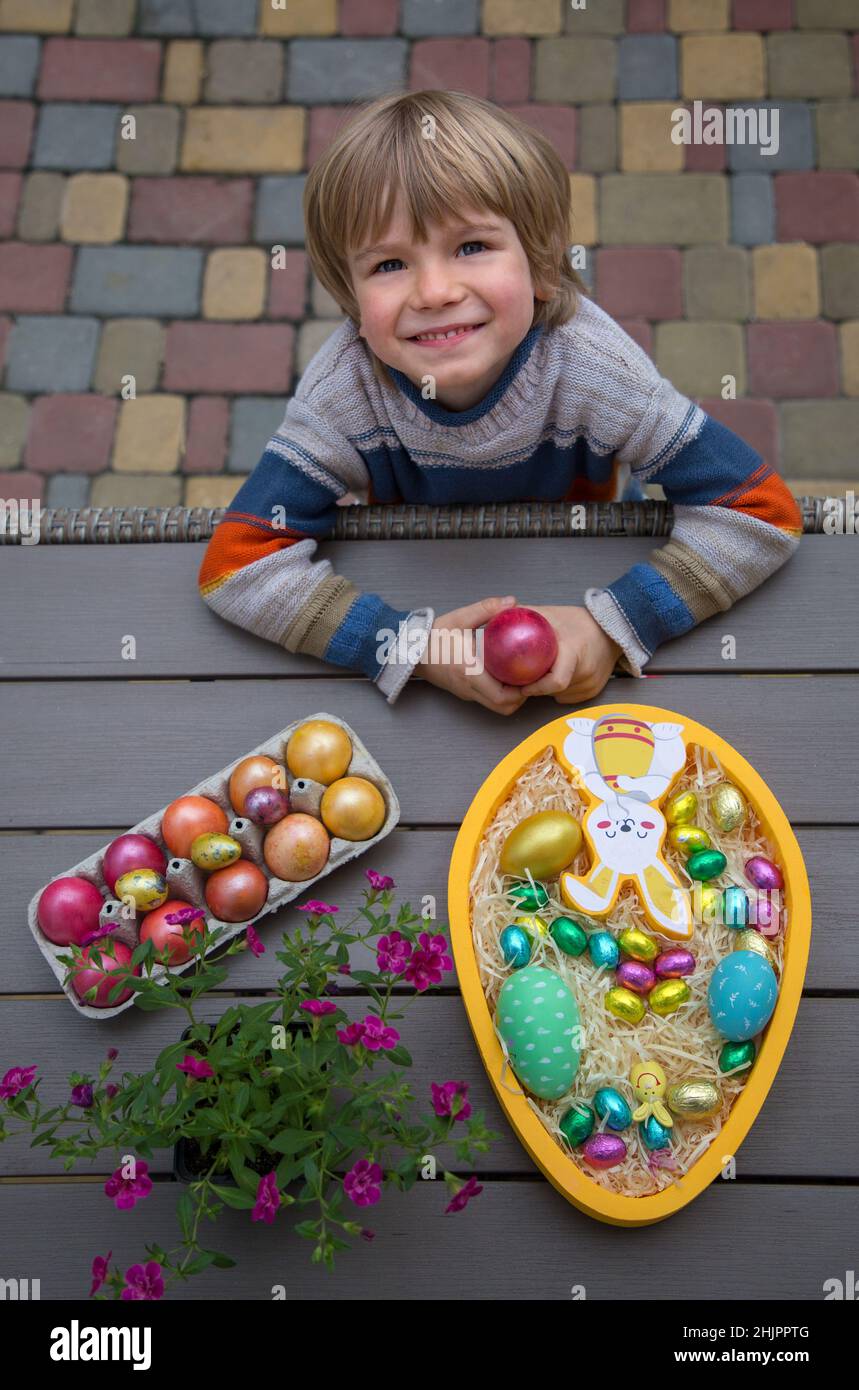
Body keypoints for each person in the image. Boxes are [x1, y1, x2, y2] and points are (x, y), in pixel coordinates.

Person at [198, 89, 802, 716]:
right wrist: (408, 645)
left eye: (471, 247)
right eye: (389, 264)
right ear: (352, 301)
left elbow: (759, 512)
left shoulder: (595, 373)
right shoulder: (343, 397)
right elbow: (236, 568)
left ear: (542, 267)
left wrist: (616, 625)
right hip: (414, 575)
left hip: (582, 561)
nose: (434, 291)